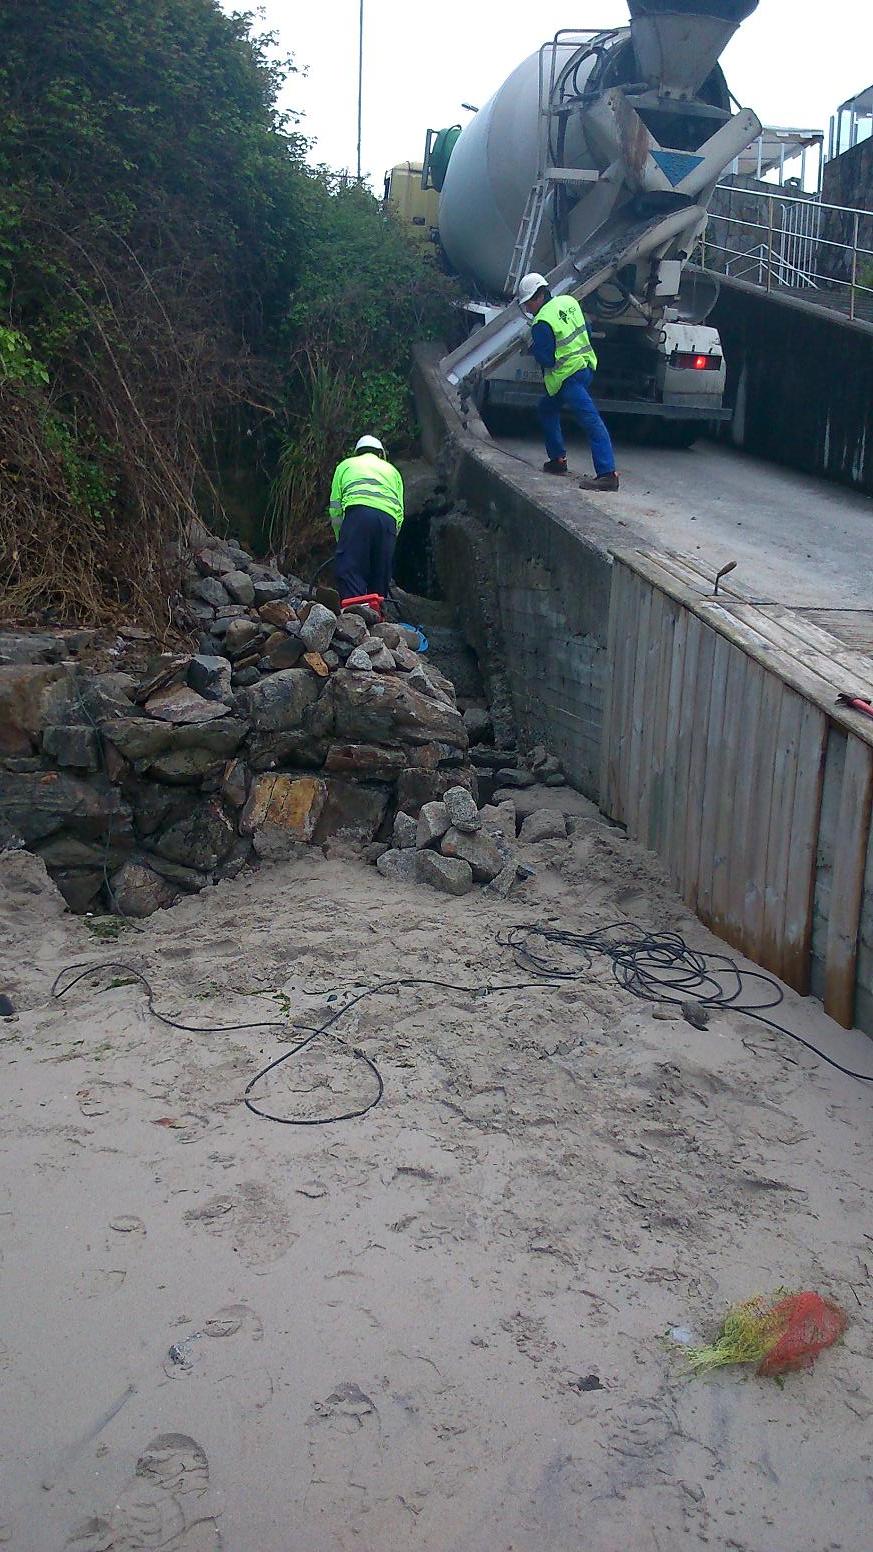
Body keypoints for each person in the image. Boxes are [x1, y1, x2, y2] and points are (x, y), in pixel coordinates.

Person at [516, 272, 619, 491]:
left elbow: (546, 359)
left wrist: (533, 348)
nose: (527, 309)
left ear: (538, 297)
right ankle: (557, 460)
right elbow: (587, 331)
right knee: (546, 408)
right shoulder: (569, 301)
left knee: (591, 421)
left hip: (567, 377)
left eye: (527, 304)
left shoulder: (541, 322)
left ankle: (608, 474)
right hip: (584, 367)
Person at [328, 435, 405, 601]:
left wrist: (341, 538)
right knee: (380, 570)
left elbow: (335, 507)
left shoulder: (345, 465)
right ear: (380, 454)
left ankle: (354, 613)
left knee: (350, 567)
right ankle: (376, 614)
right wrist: (391, 537)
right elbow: (400, 511)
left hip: (357, 514)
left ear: (357, 452)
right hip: (388, 521)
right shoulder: (393, 471)